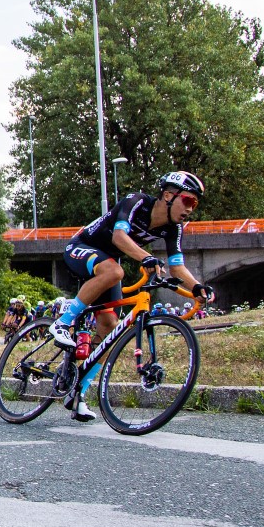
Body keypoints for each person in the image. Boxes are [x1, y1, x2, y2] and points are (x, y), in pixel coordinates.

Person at [50, 170, 217, 420]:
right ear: (169, 195)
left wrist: (197, 287)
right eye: (188, 200)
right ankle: (62, 323)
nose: (191, 208)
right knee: (115, 271)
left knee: (109, 329)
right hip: (82, 247)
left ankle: (77, 395)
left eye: (195, 203)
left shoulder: (174, 229)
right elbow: (119, 236)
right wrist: (146, 257)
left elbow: (177, 266)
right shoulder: (137, 202)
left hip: (108, 264)